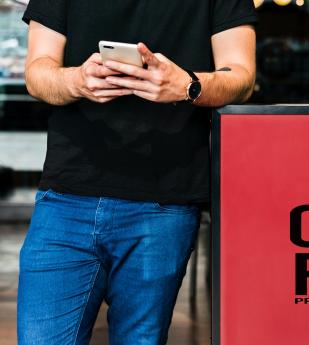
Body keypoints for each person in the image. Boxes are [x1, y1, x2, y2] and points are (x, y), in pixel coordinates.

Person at [17, 1, 257, 344]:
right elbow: (38, 72)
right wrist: (77, 80)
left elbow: (242, 77)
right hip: (66, 196)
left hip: (163, 203)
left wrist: (187, 86)